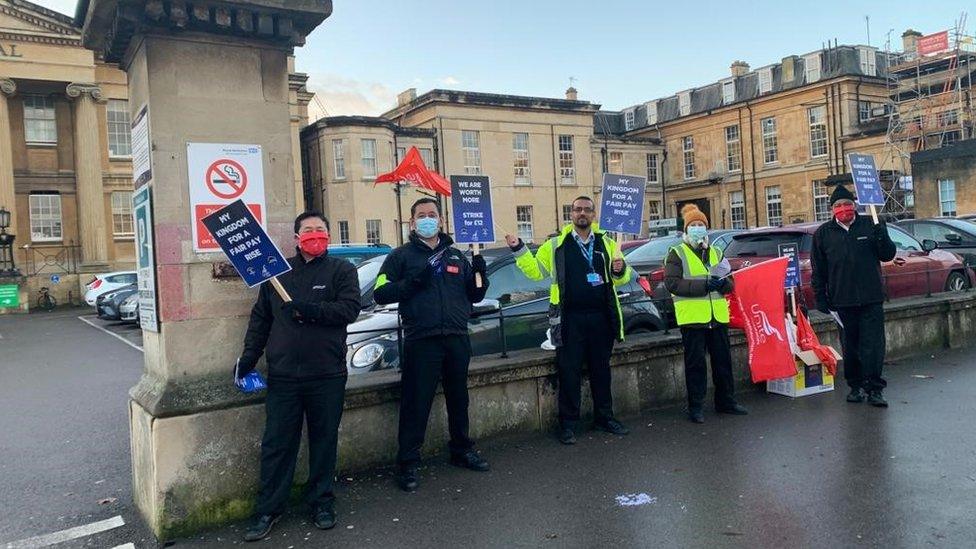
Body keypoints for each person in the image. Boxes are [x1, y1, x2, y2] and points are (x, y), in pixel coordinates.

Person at [235, 212, 361, 542]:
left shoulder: (342, 271)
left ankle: (321, 502)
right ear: (296, 237)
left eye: (321, 230)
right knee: (277, 444)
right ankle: (268, 509)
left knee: (323, 442)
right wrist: (248, 358)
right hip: (284, 377)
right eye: (308, 230)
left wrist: (307, 309)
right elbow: (260, 321)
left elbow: (349, 310)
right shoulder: (276, 275)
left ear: (329, 236)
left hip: (327, 374)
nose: (314, 234)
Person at [374, 198, 490, 492]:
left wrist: (480, 273)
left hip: (455, 337)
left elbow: (474, 296)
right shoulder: (400, 257)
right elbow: (381, 293)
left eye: (432, 215)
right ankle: (408, 463)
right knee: (416, 402)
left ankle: (462, 449)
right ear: (412, 222)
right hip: (421, 339)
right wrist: (414, 281)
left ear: (441, 220)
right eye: (421, 215)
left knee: (458, 399)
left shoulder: (455, 256)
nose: (428, 219)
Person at [505, 196, 632, 445]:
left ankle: (604, 417)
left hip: (600, 318)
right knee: (569, 372)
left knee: (601, 371)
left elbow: (621, 279)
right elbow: (535, 271)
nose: (582, 213)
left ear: (594, 215)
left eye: (586, 209)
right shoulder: (556, 245)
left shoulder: (607, 243)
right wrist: (518, 248)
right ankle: (568, 424)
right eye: (577, 210)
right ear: (571, 215)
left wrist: (619, 270)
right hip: (569, 319)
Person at [811, 184, 896, 407]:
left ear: (854, 205)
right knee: (851, 346)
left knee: (874, 346)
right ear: (831, 209)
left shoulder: (871, 224)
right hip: (842, 301)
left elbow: (888, 254)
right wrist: (821, 298)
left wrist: (881, 236)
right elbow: (818, 269)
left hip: (871, 297)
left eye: (847, 204)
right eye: (838, 205)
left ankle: (875, 389)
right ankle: (855, 386)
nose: (843, 208)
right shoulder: (823, 234)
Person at [664, 204, 747, 424]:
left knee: (723, 362)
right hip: (693, 318)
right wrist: (705, 286)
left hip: (717, 317)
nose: (698, 229)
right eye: (694, 225)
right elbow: (673, 283)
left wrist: (723, 284)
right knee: (695, 365)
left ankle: (726, 401)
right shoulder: (677, 252)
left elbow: (730, 282)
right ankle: (696, 406)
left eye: (701, 225)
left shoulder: (716, 251)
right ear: (686, 229)